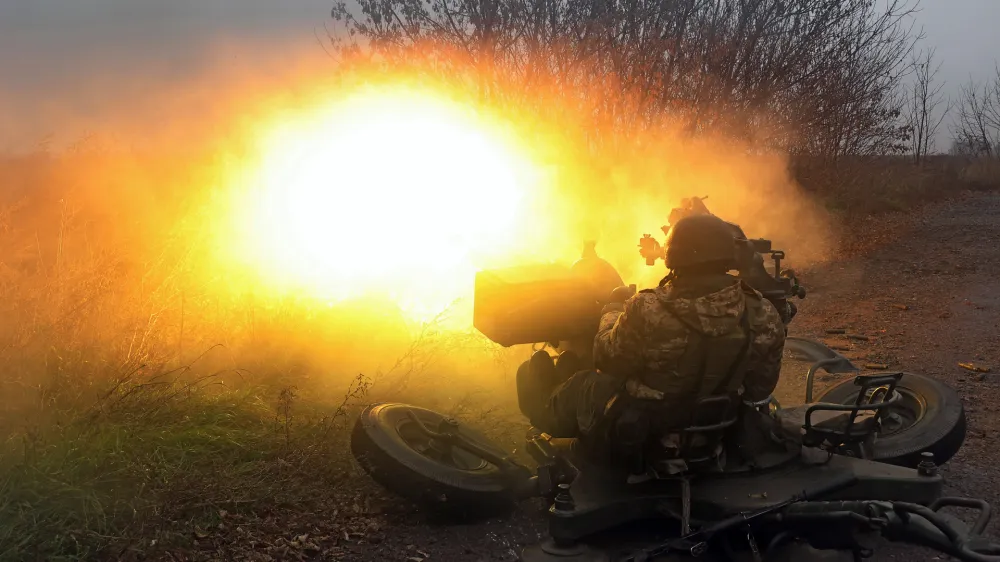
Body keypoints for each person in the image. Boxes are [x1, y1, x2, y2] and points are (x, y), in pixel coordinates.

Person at [520, 214, 787, 465]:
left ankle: (552, 429)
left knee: (569, 382)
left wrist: (612, 310)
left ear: (673, 258)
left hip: (643, 430)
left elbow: (606, 359)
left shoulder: (647, 309)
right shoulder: (761, 312)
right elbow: (760, 388)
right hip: (716, 428)